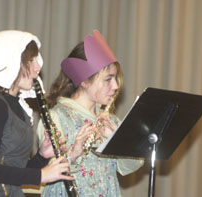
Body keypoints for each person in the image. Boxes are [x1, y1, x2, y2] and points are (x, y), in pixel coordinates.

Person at [0, 30, 74, 196]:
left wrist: (42, 155)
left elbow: (14, 171)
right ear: (10, 61)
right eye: (30, 60)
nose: (38, 67)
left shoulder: (18, 108)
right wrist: (42, 175)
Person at [37, 29, 144, 196]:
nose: (115, 86)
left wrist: (119, 140)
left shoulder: (111, 120)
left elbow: (131, 167)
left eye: (115, 78)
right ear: (85, 82)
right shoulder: (56, 117)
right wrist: (73, 152)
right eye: (108, 79)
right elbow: (47, 171)